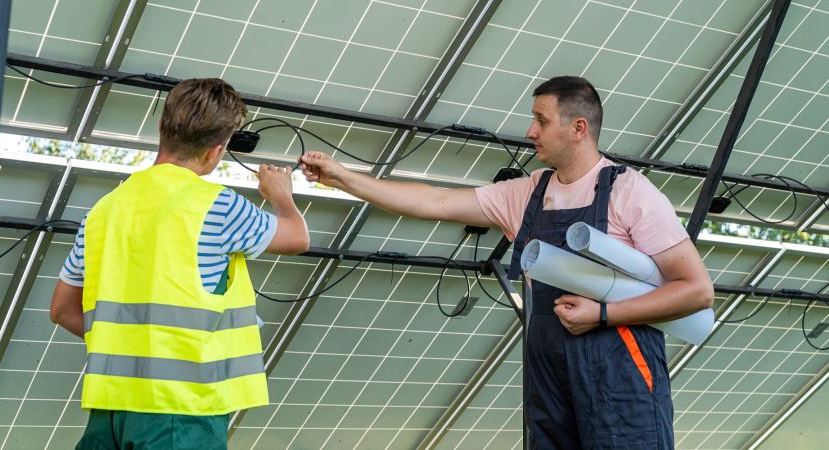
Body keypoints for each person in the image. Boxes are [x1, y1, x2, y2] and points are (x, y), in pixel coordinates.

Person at [298, 76, 713, 449]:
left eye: (541, 120)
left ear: (578, 129)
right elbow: (436, 201)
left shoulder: (630, 192)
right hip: (549, 371)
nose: (530, 131)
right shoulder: (528, 192)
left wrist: (604, 314)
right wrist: (344, 178)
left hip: (620, 373)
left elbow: (697, 290)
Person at [49, 78, 309, 449]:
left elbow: (61, 310)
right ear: (216, 150)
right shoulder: (219, 206)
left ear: (162, 128)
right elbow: (297, 238)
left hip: (109, 409)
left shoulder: (103, 211)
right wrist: (281, 196)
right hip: (182, 411)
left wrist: (134, 349)